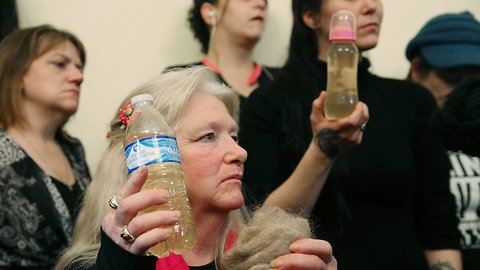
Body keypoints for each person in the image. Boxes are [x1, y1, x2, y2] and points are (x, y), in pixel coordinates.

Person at [54, 66, 363, 270]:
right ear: (147, 159)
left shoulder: (266, 256)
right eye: (208, 137)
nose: (239, 152)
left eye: (234, 136)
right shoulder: (99, 264)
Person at [238, 1, 462, 270]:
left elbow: (438, 223)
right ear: (310, 16)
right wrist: (323, 151)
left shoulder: (412, 101)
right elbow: (260, 225)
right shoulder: (267, 104)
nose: (371, 6)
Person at [0, 25, 91, 269]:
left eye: (79, 67)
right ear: (17, 74)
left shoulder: (74, 150)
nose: (77, 76)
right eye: (60, 64)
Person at [405, 11, 480, 270]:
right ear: (417, 70)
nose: (465, 89)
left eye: (476, 79)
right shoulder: (398, 134)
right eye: (453, 77)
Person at [167, 0, 279, 109]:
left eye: (265, 0)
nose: (260, 3)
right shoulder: (180, 81)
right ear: (210, 12)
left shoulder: (286, 80)